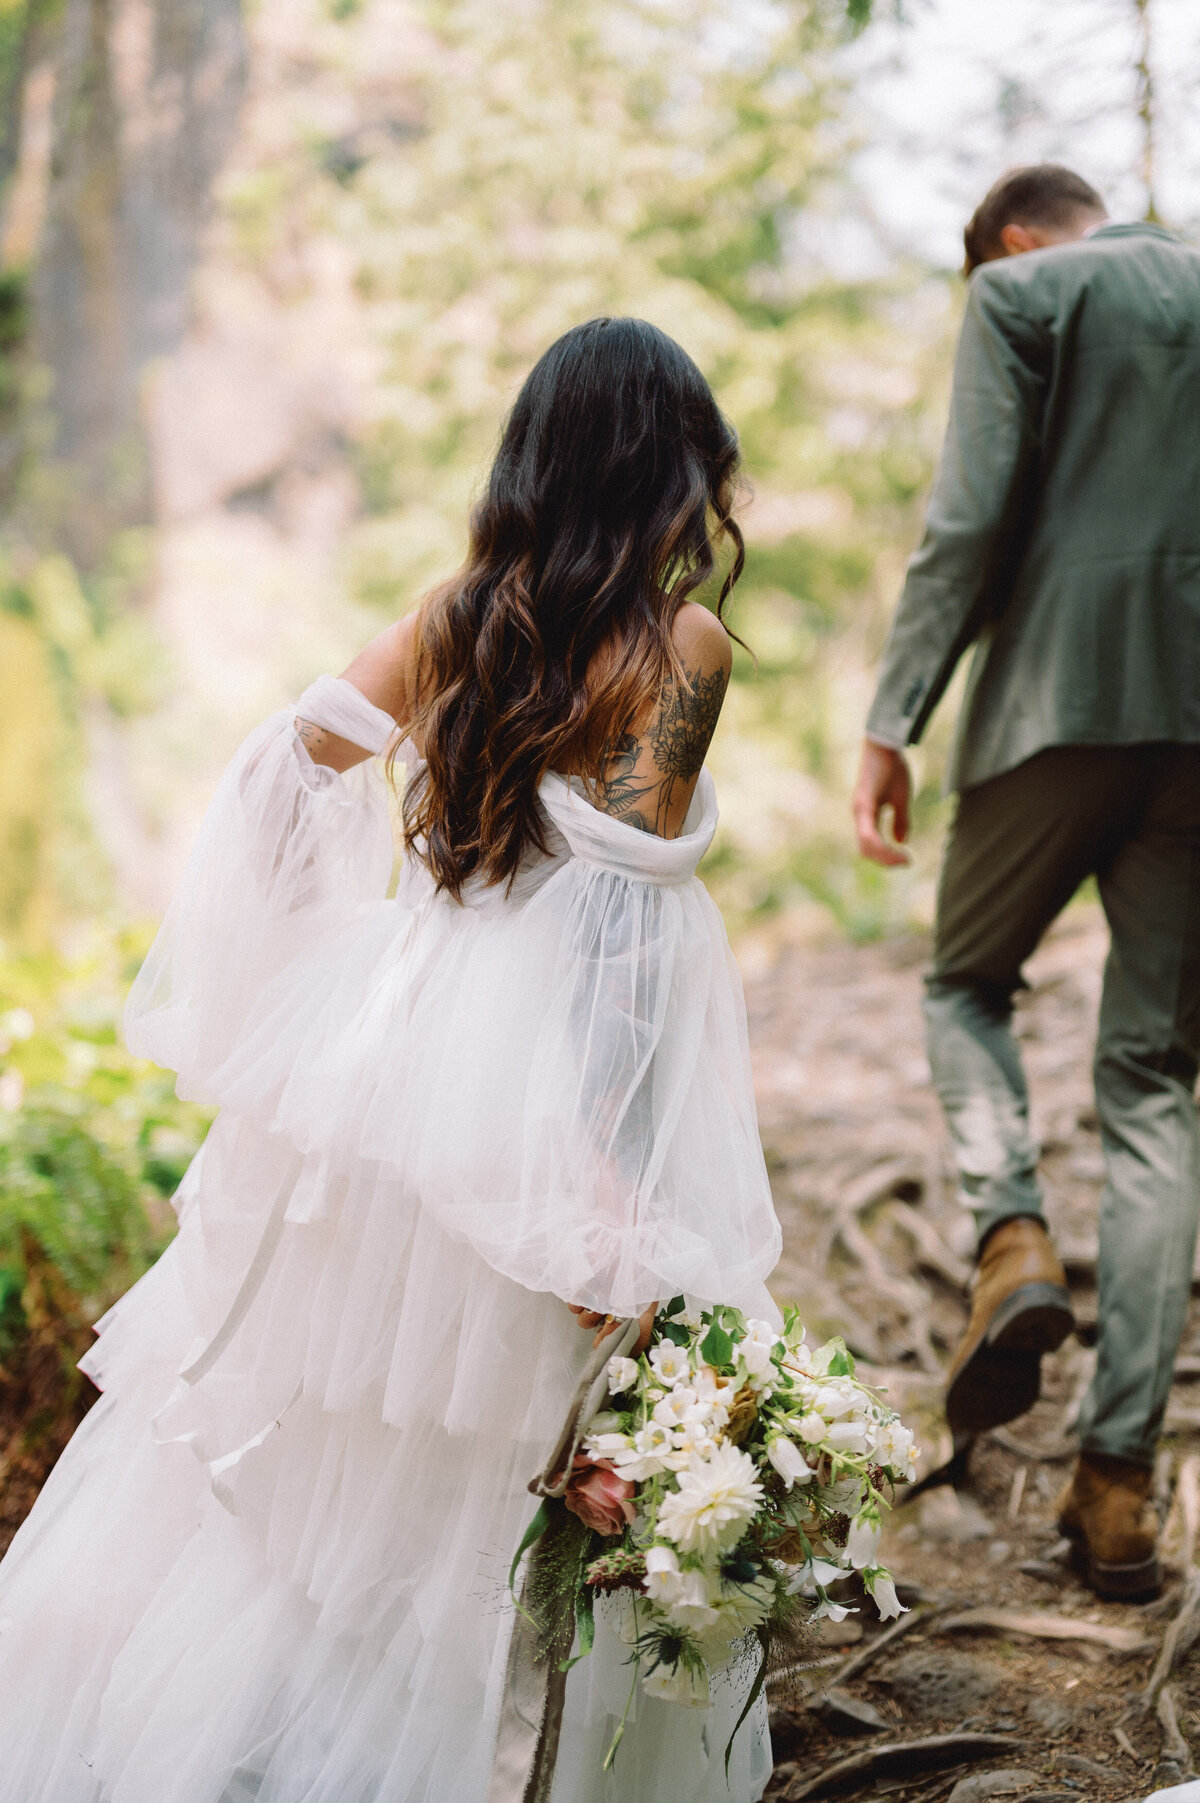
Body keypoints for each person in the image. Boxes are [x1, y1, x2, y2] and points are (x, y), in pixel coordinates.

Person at [0, 318, 782, 1801]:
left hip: (384, 1070)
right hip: (530, 1098)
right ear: (673, 467)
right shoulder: (678, 645)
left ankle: (242, 1754)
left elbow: (282, 767)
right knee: (481, 1466)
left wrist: (328, 960)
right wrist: (603, 1179)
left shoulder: (464, 613)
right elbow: (616, 935)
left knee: (325, 1463)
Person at [854, 164, 1200, 1602]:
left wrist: (894, 717)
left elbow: (972, 515)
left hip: (1054, 706)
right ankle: (1118, 1490)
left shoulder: (1021, 294)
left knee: (962, 982)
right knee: (1157, 1084)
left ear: (1003, 239)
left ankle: (1008, 1236)